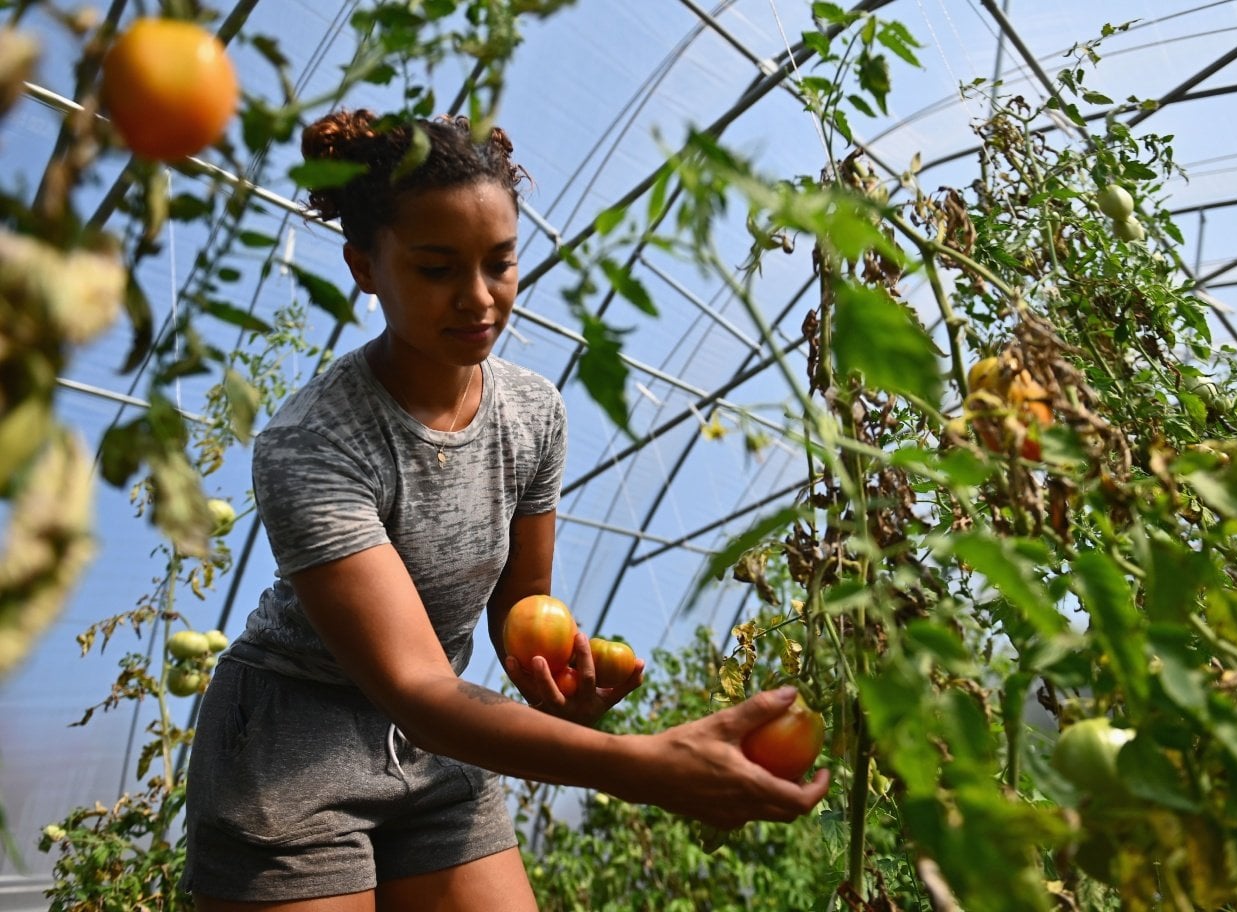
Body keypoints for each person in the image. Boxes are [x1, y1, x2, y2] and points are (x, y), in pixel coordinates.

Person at [180, 108, 830, 911]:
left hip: (434, 744)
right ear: (364, 267)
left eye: (501, 264)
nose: (479, 298)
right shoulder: (313, 444)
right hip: (292, 752)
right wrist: (648, 766)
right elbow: (416, 684)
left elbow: (521, 603)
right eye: (437, 268)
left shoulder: (533, 414)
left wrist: (552, 668)